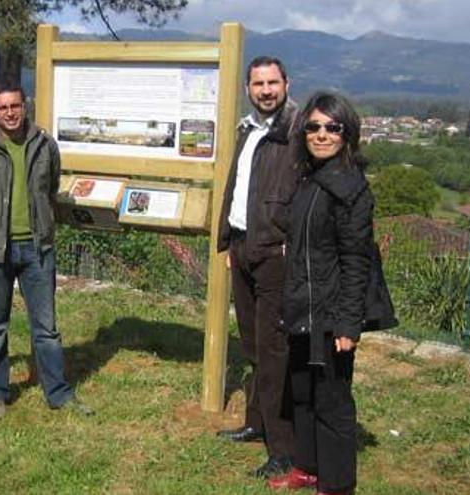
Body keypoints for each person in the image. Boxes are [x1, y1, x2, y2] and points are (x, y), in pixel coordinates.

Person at [0, 84, 92, 419]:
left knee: (46, 327)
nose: (10, 113)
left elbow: (51, 186)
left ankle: (57, 392)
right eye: (2, 108)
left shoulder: (45, 145)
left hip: (37, 247)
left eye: (15, 105)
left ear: (24, 106)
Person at [269, 92, 374, 495]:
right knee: (301, 395)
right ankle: (307, 468)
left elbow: (356, 260)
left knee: (332, 403)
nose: (322, 134)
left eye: (332, 127)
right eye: (313, 126)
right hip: (301, 307)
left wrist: (348, 322)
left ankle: (336, 485)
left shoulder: (351, 188)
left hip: (330, 315)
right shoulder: (309, 179)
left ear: (348, 133)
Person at [215, 56, 301, 477]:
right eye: (258, 83)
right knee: (251, 344)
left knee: (274, 351)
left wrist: (294, 245)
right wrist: (230, 241)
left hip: (275, 254)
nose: (266, 90)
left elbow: (308, 195)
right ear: (247, 87)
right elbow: (238, 188)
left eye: (273, 82)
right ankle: (256, 422)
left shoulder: (298, 132)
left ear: (287, 83)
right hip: (244, 247)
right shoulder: (249, 129)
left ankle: (283, 448)